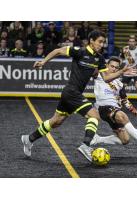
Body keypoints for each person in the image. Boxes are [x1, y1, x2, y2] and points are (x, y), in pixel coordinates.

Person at [21, 30, 131, 162]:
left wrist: (121, 71)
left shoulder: (100, 58)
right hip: (71, 92)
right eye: (99, 41)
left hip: (72, 93)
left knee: (56, 121)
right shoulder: (80, 51)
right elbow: (57, 51)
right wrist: (43, 62)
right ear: (91, 41)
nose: (102, 45)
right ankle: (86, 146)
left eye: (103, 42)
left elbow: (107, 78)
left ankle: (29, 139)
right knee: (94, 115)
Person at [91, 56, 137, 149]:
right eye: (112, 66)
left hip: (114, 110)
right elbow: (91, 69)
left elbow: (125, 100)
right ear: (106, 65)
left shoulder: (119, 83)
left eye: (116, 67)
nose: (114, 69)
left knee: (125, 140)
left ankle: (98, 139)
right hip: (103, 108)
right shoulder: (99, 75)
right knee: (122, 115)